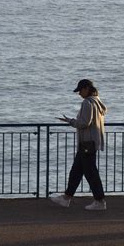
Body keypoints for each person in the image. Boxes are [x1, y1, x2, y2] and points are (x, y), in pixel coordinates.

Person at [50, 79, 108, 210]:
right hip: (91, 142)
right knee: (76, 171)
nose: (79, 94)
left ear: (87, 88)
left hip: (87, 143)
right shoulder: (97, 101)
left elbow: (84, 123)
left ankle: (100, 201)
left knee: (91, 173)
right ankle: (66, 198)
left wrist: (70, 121)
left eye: (80, 90)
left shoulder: (87, 103)